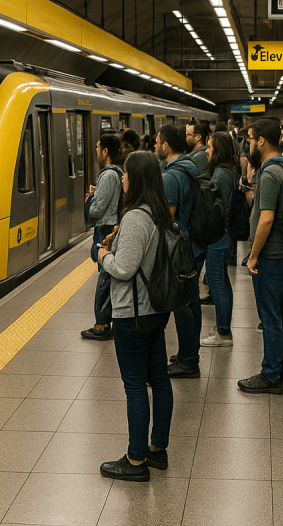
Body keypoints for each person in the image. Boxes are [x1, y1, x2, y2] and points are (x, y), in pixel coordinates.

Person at [96, 151, 175, 482]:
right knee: (159, 379)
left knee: (134, 386)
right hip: (156, 310)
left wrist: (103, 255)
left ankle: (136, 460)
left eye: (126, 175)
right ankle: (157, 450)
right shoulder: (159, 213)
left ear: (137, 179)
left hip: (133, 314)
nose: (122, 179)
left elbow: (125, 269)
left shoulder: (134, 218)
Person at [240, 118, 283, 394]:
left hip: (271, 256)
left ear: (261, 141)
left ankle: (271, 374)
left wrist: (253, 256)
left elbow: (266, 219)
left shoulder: (270, 174)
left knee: (271, 315)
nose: (249, 144)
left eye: (251, 139)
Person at [156, 124, 201, 378]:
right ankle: (189, 353)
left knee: (183, 304)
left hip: (179, 247)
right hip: (192, 243)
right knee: (191, 301)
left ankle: (187, 360)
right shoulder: (190, 166)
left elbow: (167, 216)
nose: (154, 146)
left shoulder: (171, 176)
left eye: (156, 142)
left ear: (166, 146)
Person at [81, 133, 124, 341]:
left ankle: (101, 324)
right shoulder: (116, 173)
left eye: (98, 148)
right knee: (107, 275)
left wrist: (89, 200)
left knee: (105, 276)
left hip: (105, 227)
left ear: (105, 151)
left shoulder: (108, 175)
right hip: (110, 224)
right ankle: (106, 321)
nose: (96, 151)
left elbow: (96, 211)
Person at [200, 132, 240, 347]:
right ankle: (223, 328)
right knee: (222, 282)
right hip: (224, 236)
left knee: (217, 283)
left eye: (209, 147)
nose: (207, 150)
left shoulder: (221, 175)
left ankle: (223, 333)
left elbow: (216, 208)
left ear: (218, 150)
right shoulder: (227, 171)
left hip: (218, 236)